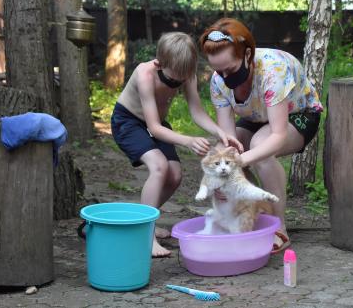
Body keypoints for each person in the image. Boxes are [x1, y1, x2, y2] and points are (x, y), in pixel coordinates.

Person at [111, 32, 243, 257]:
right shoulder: (145, 74)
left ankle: (144, 219)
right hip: (129, 122)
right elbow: (153, 128)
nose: (179, 81)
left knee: (174, 175)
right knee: (159, 167)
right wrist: (188, 141)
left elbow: (196, 112)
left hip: (157, 124)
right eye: (175, 78)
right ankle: (146, 235)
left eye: (184, 76)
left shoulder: (185, 73)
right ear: (161, 63)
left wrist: (219, 132)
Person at [199, 18, 323, 253]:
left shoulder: (272, 70)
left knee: (260, 148)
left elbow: (277, 135)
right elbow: (228, 139)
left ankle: (279, 229)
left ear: (247, 55)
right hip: (257, 115)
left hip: (299, 114)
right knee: (227, 152)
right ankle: (252, 210)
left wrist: (242, 161)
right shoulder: (218, 81)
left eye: (231, 69)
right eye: (219, 70)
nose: (225, 77)